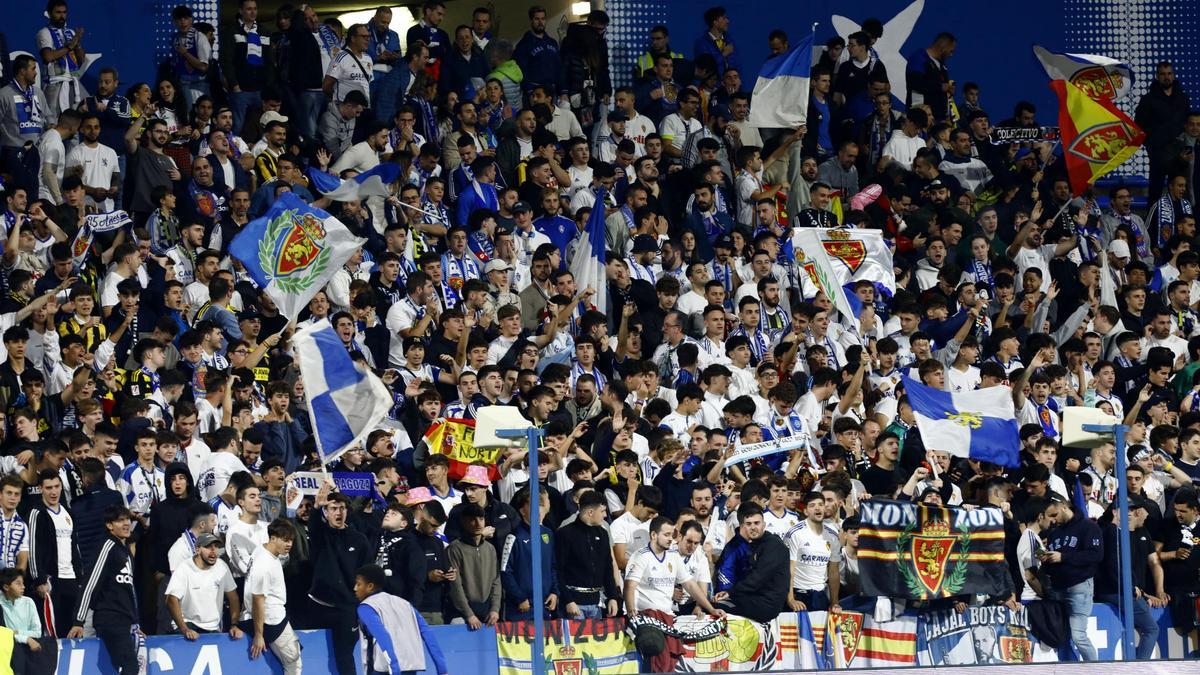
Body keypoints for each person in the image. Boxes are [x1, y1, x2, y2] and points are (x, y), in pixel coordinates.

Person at [67, 507, 138, 674]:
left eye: (127, 519)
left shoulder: (125, 550)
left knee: (123, 667)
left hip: (124, 619)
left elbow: (129, 590)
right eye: (120, 520)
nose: (126, 523)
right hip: (110, 617)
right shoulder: (108, 545)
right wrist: (78, 621)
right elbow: (90, 582)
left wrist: (135, 621)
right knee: (130, 666)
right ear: (109, 525)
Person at [354, 563, 449, 675]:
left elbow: (382, 637)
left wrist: (394, 669)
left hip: (384, 670)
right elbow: (428, 634)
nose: (355, 588)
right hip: (409, 667)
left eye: (358, 584)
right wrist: (442, 669)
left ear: (370, 586)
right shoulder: (405, 604)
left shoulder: (366, 607)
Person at [1040, 498, 1102, 661]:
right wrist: (1046, 560)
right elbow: (1056, 559)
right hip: (1058, 588)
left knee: (1078, 636)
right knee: (1062, 636)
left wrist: (1064, 557)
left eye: (1054, 515)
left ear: (1064, 507)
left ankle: (1096, 671)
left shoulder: (1089, 527)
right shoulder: (1055, 533)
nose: (1053, 520)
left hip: (1079, 586)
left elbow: (1096, 555)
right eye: (1050, 517)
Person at [243, 518, 302, 675]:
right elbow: (258, 599)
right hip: (272, 619)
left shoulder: (261, 550)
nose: (289, 544)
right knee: (294, 663)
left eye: (291, 540)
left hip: (271, 616)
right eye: (285, 540)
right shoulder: (264, 564)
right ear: (273, 537)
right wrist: (258, 634)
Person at [164, 532, 241, 638]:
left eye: (216, 547)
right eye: (208, 547)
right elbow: (171, 599)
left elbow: (233, 598)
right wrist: (184, 629)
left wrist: (234, 625)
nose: (213, 551)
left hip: (213, 628)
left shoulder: (222, 567)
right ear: (197, 549)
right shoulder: (184, 568)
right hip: (188, 624)